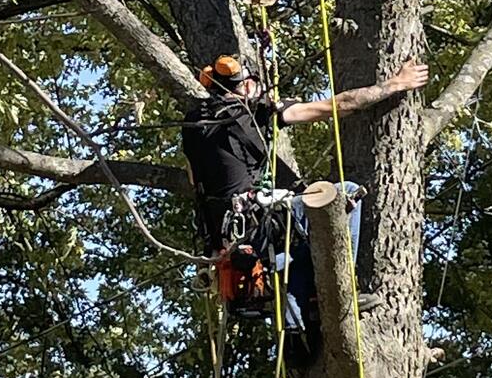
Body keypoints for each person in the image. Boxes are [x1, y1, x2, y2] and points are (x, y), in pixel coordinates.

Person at [181, 52, 428, 359]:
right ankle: (342, 292)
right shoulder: (253, 111)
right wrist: (394, 85)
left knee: (293, 254)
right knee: (345, 194)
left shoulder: (193, 123)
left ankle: (297, 330)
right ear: (244, 86)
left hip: (225, 238)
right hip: (254, 225)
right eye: (255, 85)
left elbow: (195, 180)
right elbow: (337, 105)